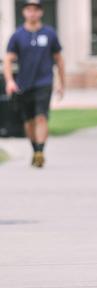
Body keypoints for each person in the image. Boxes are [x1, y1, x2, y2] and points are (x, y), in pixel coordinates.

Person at [3, 0, 65, 168]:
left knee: (41, 117)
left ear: (41, 12)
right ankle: (35, 148)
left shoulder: (50, 33)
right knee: (29, 121)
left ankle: (40, 151)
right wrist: (9, 81)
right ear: (24, 12)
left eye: (35, 9)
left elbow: (59, 59)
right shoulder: (17, 36)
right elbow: (8, 59)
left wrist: (62, 83)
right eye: (29, 9)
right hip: (24, 83)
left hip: (44, 81)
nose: (32, 13)